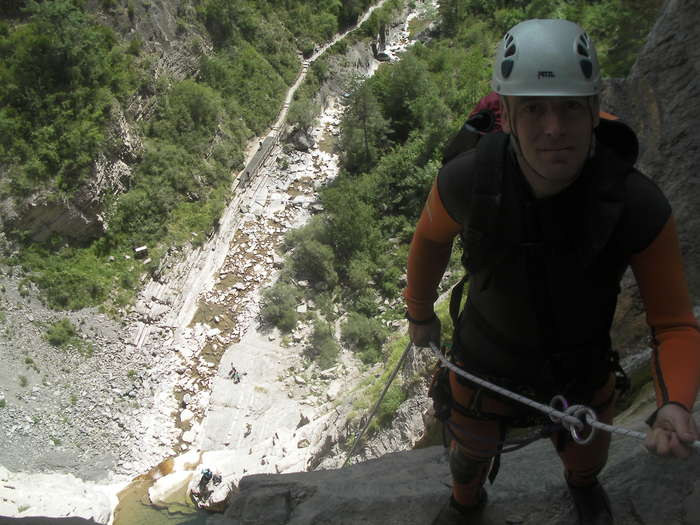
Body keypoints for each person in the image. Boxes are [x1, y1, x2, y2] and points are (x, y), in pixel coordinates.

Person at [404, 19, 700, 525]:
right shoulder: (469, 180)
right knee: (469, 450)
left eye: (569, 108)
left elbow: (673, 322)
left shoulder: (635, 204)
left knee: (587, 457)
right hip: (486, 359)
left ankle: (581, 486)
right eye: (535, 109)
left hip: (578, 365)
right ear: (509, 115)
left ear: (593, 110)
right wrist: (419, 313)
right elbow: (429, 238)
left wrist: (676, 404)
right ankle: (466, 501)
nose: (554, 129)